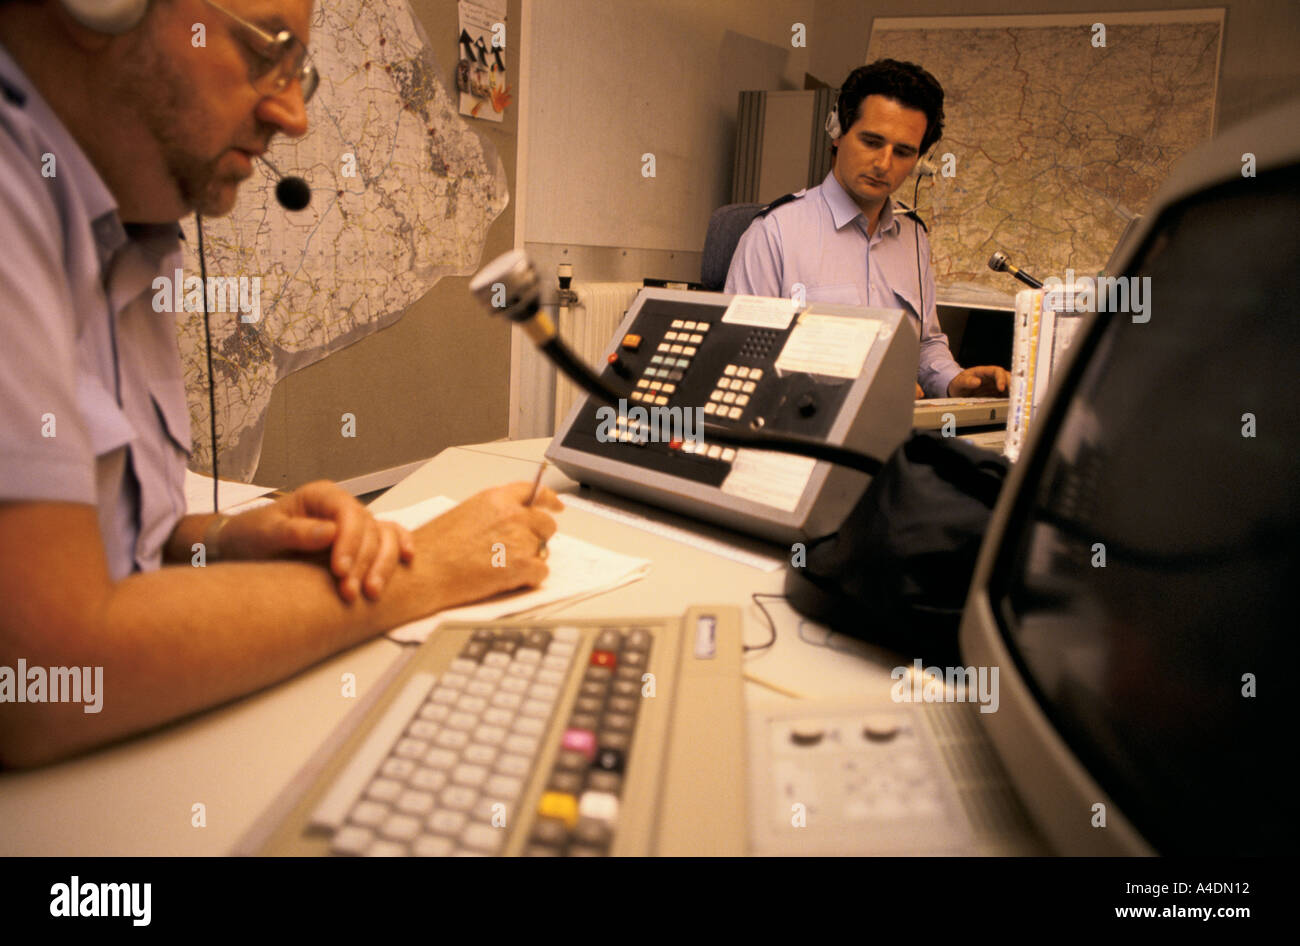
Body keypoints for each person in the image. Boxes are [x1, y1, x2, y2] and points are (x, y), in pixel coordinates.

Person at [0, 0, 561, 768]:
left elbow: (99, 549)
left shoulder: (134, 220)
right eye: (268, 53)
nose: (294, 116)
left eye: (302, 71)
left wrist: (224, 540)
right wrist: (422, 569)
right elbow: (47, 678)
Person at [726, 59, 1010, 400]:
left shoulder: (914, 237)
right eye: (872, 142)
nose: (884, 163)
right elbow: (743, 364)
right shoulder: (774, 234)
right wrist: (857, 386)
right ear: (837, 132)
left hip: (899, 436)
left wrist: (953, 380)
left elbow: (925, 344)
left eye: (903, 152)